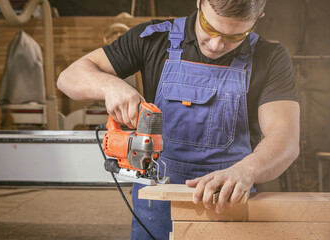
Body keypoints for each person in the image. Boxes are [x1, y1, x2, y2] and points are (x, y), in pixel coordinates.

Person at [57, 0, 300, 239]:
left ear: (257, 19)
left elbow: (285, 137)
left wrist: (247, 170)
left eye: (235, 36)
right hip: (157, 198)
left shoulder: (270, 57)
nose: (216, 44)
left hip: (228, 197)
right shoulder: (154, 38)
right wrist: (109, 85)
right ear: (199, 3)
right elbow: (69, 77)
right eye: (210, 28)